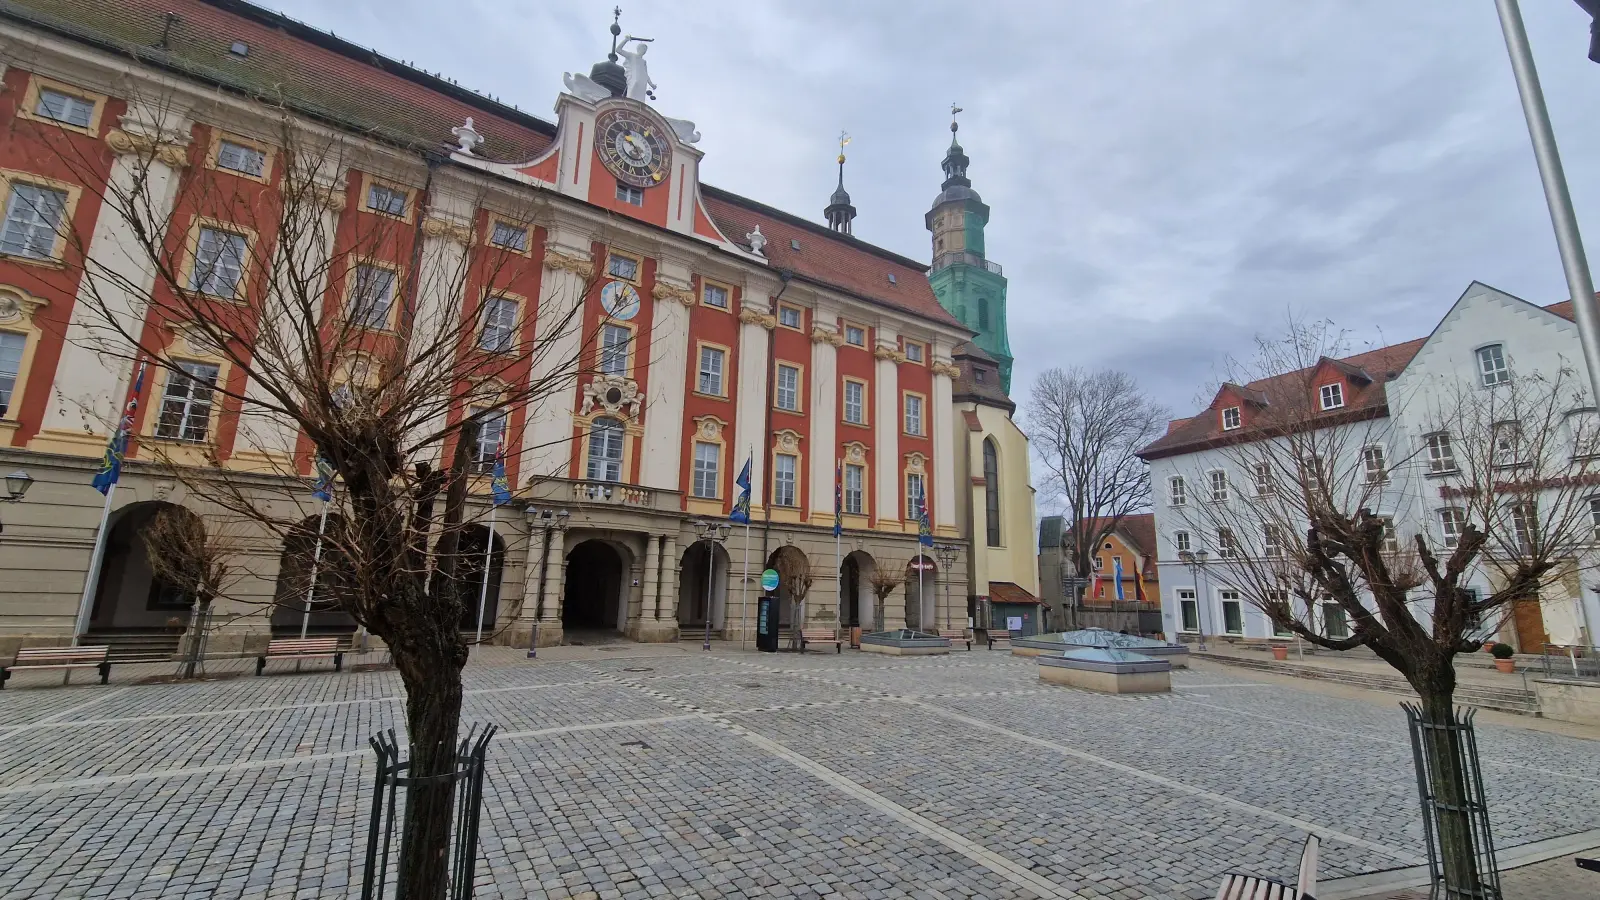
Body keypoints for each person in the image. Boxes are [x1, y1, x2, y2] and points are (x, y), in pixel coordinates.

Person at [617, 36, 656, 101]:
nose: (644, 51)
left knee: (640, 100)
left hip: (642, 81)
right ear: (639, 49)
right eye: (643, 49)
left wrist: (651, 84)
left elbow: (645, 74)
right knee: (633, 90)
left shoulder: (643, 61)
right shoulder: (632, 55)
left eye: (645, 50)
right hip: (634, 78)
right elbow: (618, 50)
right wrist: (625, 40)